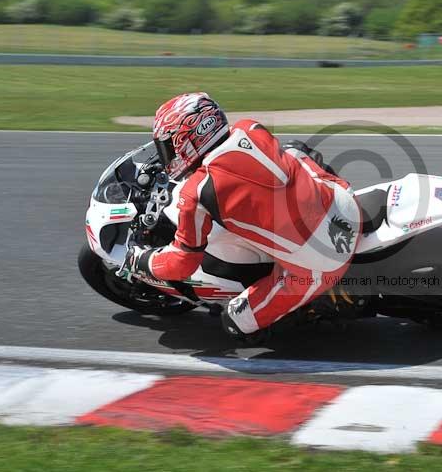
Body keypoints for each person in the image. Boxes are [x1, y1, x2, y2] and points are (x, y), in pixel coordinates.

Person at [123, 92, 360, 341]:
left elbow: (183, 263)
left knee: (235, 323)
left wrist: (141, 260)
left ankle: (313, 308)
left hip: (322, 265)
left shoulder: (197, 192)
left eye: (168, 146)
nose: (167, 155)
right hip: (344, 201)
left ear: (186, 140)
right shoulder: (250, 128)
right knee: (295, 150)